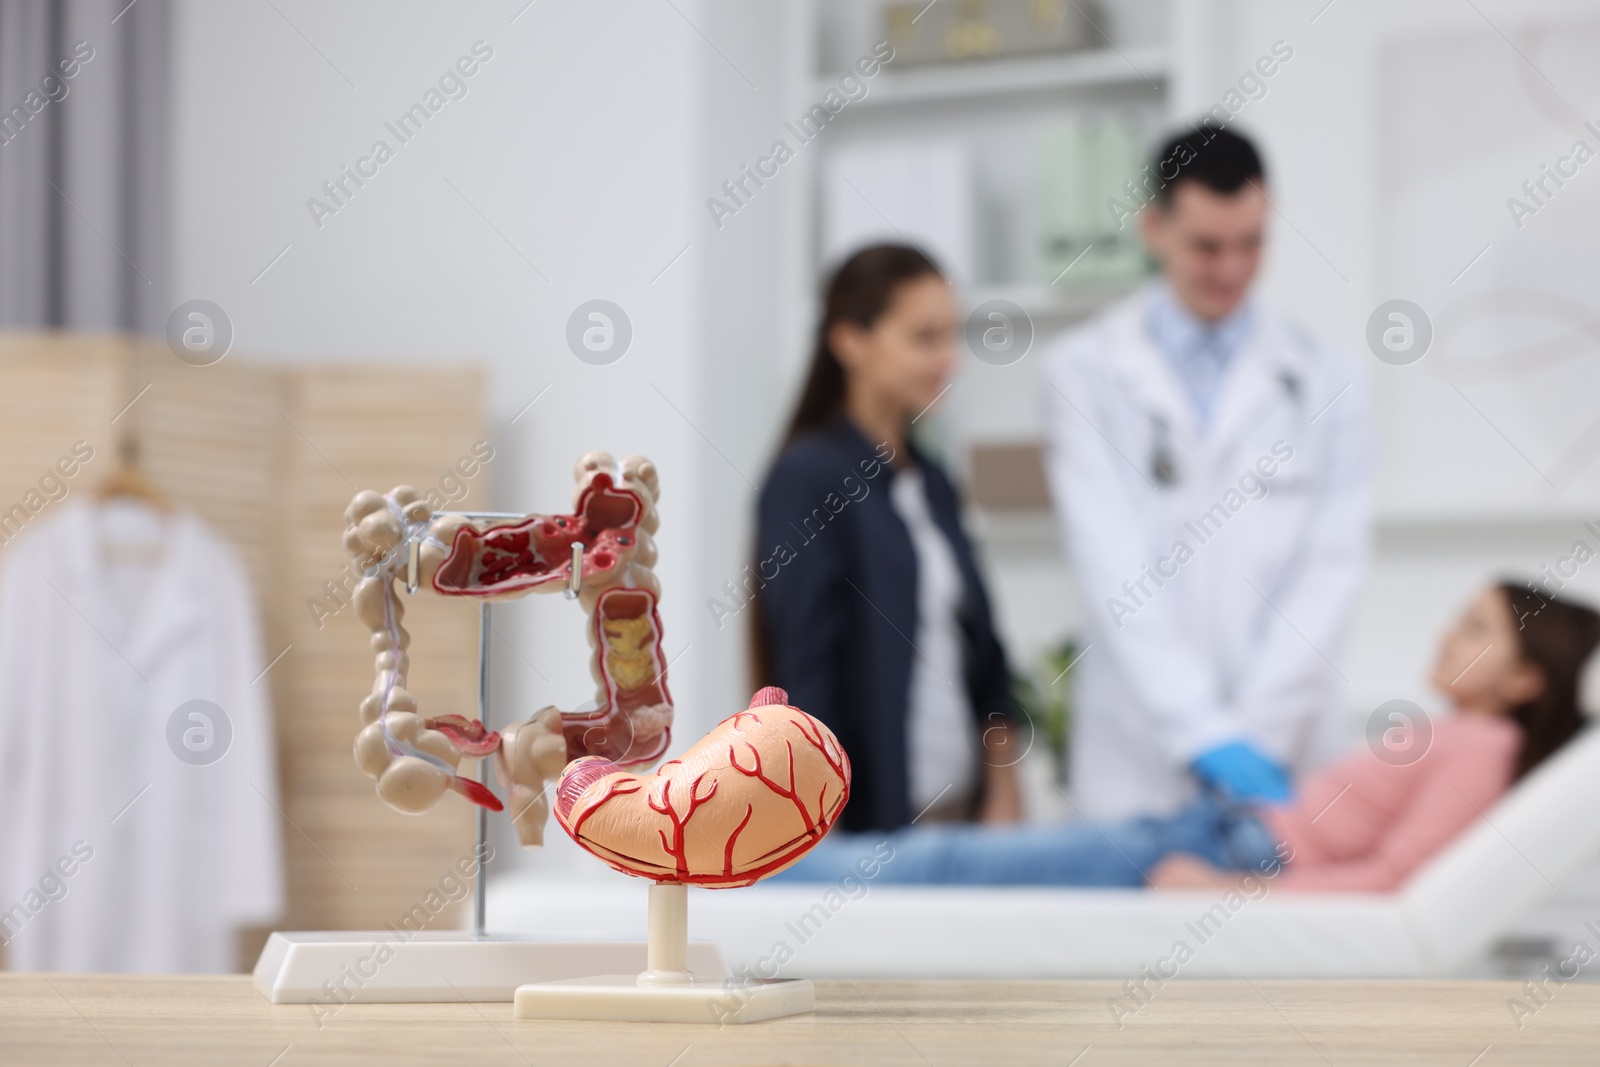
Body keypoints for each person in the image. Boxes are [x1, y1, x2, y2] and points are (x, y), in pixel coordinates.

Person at [775, 582, 1600, 891]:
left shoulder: (1484, 748)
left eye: (1476, 628)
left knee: (955, 864)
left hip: (1232, 849)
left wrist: (1228, 892)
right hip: (1226, 828)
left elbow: (1393, 876)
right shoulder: (1464, 737)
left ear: (1527, 679)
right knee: (955, 863)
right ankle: (763, 867)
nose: (1448, 635)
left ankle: (754, 867)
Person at [1040, 122, 1375, 821]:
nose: (1230, 269)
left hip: (1287, 745)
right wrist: (1201, 730)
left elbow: (1332, 567)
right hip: (1139, 748)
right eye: (1207, 247)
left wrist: (1255, 733)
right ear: (1153, 228)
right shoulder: (1084, 372)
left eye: (1251, 244)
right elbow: (1112, 565)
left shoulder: (1326, 378)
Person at [750, 244, 1020, 832]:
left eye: (952, 336)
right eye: (924, 338)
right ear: (851, 340)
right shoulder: (808, 478)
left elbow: (985, 656)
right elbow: (806, 672)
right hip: (873, 833)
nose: (947, 359)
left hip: (962, 820)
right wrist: (818, 831)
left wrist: (1003, 792)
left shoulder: (932, 481)